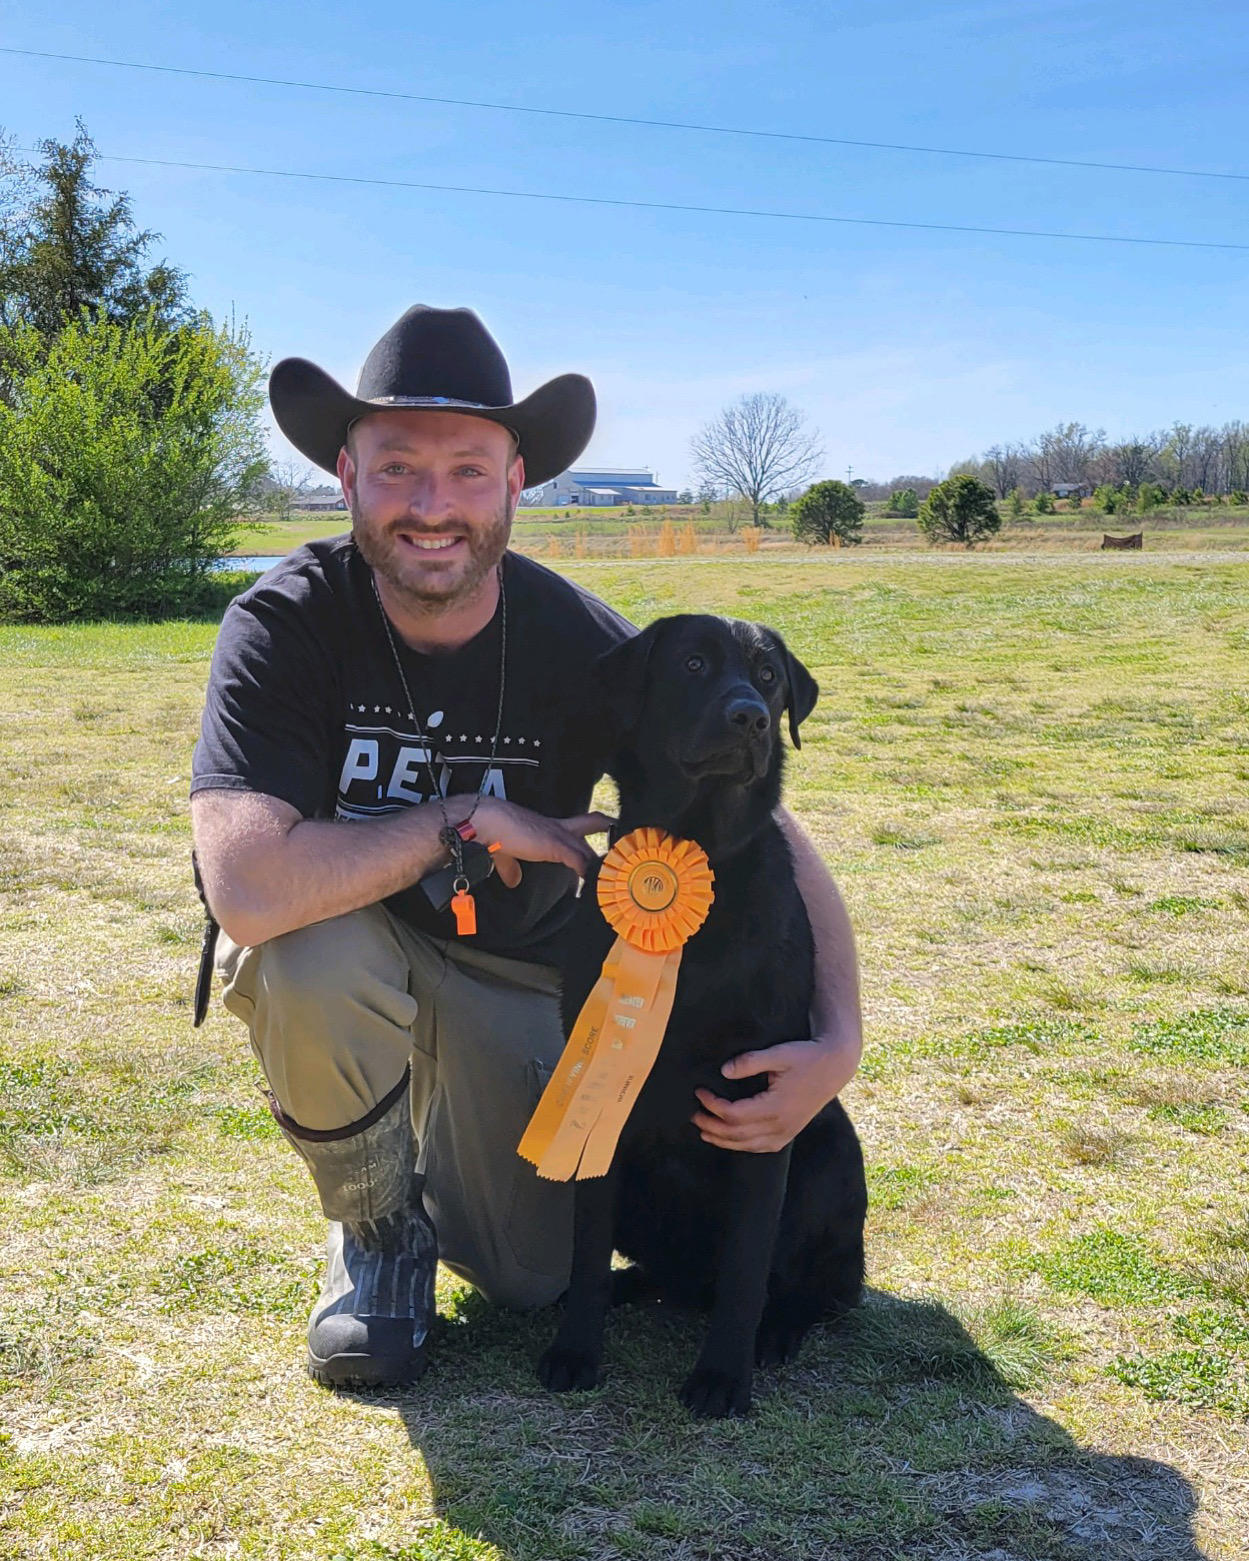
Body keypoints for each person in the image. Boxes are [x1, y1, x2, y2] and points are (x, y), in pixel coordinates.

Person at [190, 304, 863, 1389]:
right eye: (397, 466)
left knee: (534, 1274)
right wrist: (458, 818)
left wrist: (837, 1043)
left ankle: (449, 1166)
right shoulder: (282, 626)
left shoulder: (577, 640)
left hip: (523, 973)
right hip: (354, 953)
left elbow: (765, 832)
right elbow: (247, 889)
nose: (431, 505)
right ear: (343, 476)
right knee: (305, 957)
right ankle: (379, 1239)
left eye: (467, 469)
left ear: (515, 486)